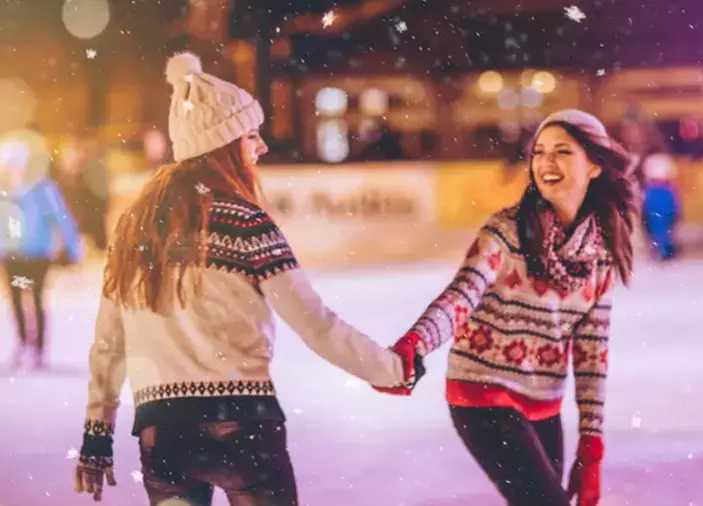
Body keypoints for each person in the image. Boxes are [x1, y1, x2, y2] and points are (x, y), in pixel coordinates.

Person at [73, 52, 421, 506]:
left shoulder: (136, 227)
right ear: (223, 145)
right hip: (243, 428)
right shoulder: (246, 223)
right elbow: (315, 324)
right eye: (251, 136)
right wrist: (391, 369)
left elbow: (109, 344)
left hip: (163, 433)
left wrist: (97, 435)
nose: (261, 147)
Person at [376, 110, 637, 506]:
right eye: (539, 152)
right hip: (483, 393)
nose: (546, 163)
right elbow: (461, 295)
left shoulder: (600, 253)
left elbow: (591, 356)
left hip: (543, 401)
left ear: (596, 166)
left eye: (562, 151)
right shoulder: (506, 231)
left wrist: (591, 446)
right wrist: (416, 342)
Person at [0, 137, 84, 369]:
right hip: (12, 256)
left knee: (35, 299)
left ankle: (37, 350)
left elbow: (61, 218)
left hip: (37, 255)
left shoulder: (42, 188)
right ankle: (22, 345)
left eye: (14, 164)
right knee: (16, 300)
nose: (10, 170)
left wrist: (73, 248)